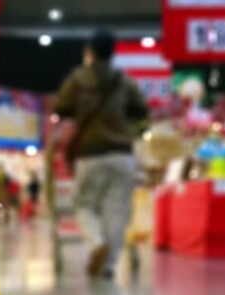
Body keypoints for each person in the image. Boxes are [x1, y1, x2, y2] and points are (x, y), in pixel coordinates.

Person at [54, 28, 149, 278]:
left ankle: (97, 245)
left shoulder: (78, 79)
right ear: (113, 52)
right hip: (121, 154)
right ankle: (108, 266)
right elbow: (141, 109)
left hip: (89, 153)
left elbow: (59, 107)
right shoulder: (123, 81)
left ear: (90, 52)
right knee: (116, 210)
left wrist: (78, 110)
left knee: (83, 203)